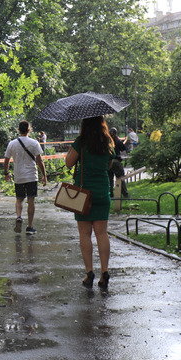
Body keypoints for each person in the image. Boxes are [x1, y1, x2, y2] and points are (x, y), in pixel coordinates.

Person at [65, 116, 114, 289]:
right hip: (102, 192)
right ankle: (105, 271)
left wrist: (73, 149)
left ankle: (89, 273)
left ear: (84, 123)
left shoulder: (81, 141)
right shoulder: (107, 141)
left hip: (83, 194)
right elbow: (109, 165)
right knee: (102, 233)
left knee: (85, 234)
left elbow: (68, 163)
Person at [4, 121, 48, 235]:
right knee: (31, 200)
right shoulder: (34, 143)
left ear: (19, 130)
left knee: (19, 199)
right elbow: (40, 160)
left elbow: (6, 160)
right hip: (31, 176)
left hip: (19, 176)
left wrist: (6, 173)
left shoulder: (12, 143)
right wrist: (44, 175)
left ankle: (18, 216)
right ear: (29, 130)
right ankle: (30, 226)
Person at [108, 127, 129, 198]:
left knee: (109, 179)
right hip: (117, 161)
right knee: (120, 178)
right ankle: (125, 194)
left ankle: (110, 194)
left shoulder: (107, 141)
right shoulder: (118, 141)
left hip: (108, 162)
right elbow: (123, 149)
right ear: (116, 133)